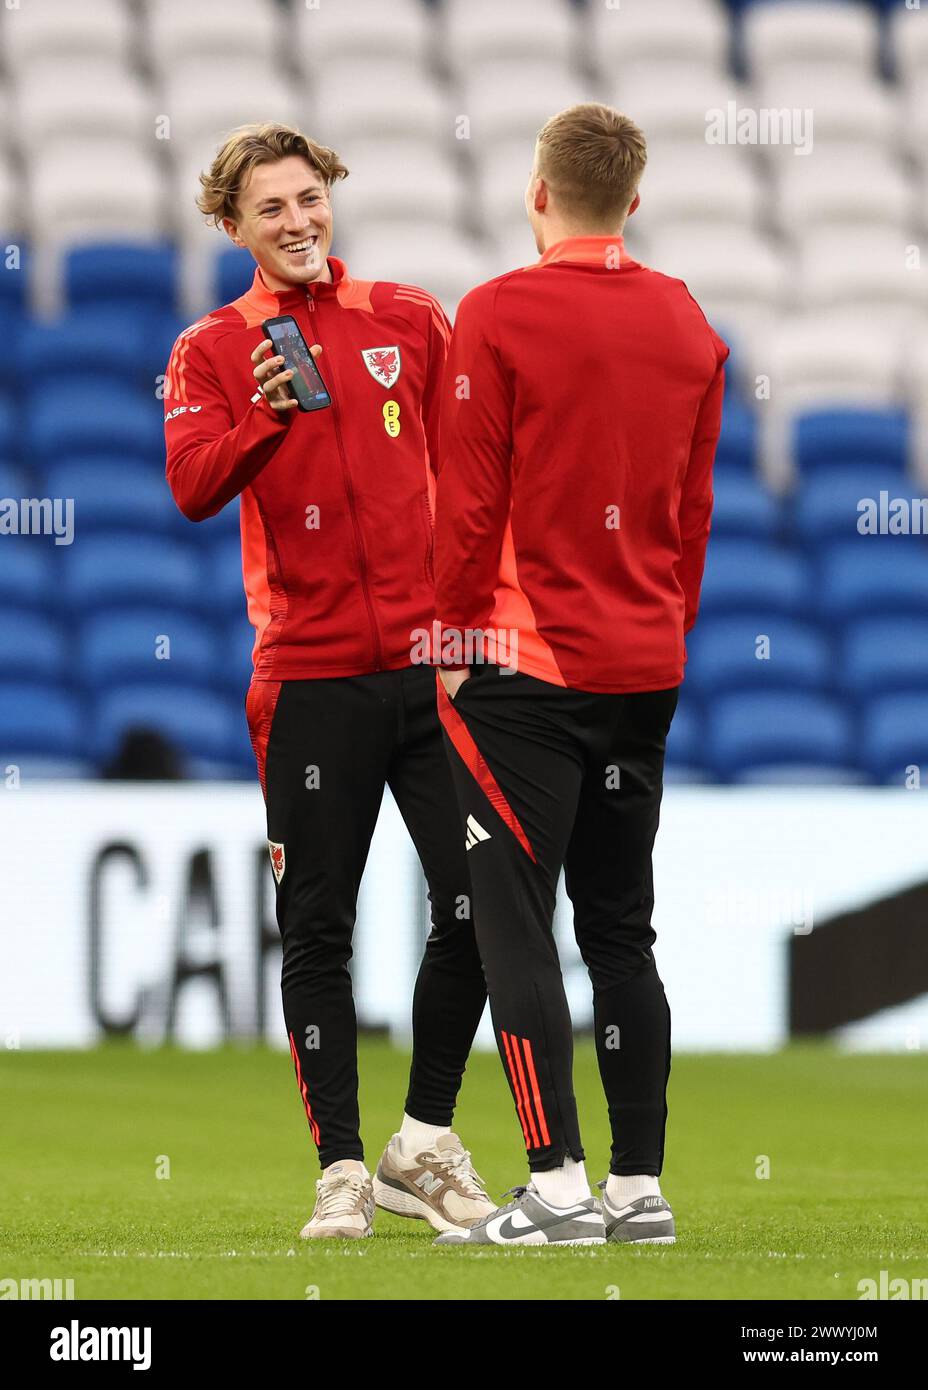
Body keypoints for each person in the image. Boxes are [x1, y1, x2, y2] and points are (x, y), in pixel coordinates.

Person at [163, 122, 493, 1240]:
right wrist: (266, 417)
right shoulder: (211, 348)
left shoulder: (408, 316)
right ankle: (342, 1169)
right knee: (317, 929)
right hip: (307, 677)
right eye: (271, 209)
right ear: (232, 226)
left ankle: (422, 1138)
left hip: (430, 671)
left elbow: (477, 460)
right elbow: (192, 486)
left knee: (481, 905)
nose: (298, 222)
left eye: (310, 198)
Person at [431, 104, 728, 1247]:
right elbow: (692, 516)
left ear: (536, 193)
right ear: (633, 202)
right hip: (644, 664)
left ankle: (553, 1184)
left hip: (524, 665)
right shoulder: (688, 321)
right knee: (620, 930)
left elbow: (468, 506)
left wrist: (450, 641)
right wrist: (667, 631)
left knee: (514, 921)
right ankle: (638, 1189)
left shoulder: (498, 312)